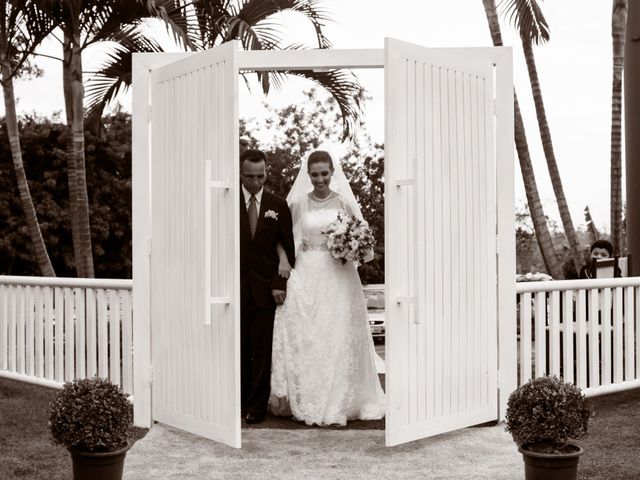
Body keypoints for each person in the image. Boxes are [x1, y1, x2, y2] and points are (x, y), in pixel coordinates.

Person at [269, 149, 385, 426]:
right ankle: (310, 397)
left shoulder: (344, 202)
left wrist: (352, 245)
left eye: (324, 173)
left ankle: (341, 400)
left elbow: (365, 242)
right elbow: (280, 236)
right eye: (314, 174)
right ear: (307, 174)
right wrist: (284, 260)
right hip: (308, 270)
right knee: (310, 336)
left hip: (339, 275)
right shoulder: (298, 203)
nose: (320, 179)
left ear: (333, 172)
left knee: (338, 334)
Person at [240, 149, 295, 424]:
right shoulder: (227, 201)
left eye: (260, 176)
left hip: (265, 290)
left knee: (261, 352)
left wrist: (278, 283)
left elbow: (288, 248)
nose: (255, 182)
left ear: (266, 172)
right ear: (241, 173)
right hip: (234, 288)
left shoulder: (278, 204)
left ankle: (256, 407)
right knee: (238, 347)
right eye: (250, 177)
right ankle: (237, 401)